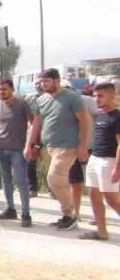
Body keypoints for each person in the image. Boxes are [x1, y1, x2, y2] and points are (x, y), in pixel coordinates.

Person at [24, 68, 89, 231]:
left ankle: (71, 214)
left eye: (47, 81)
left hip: (67, 147)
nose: (43, 85)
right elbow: (36, 125)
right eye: (41, 82)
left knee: (54, 178)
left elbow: (85, 123)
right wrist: (29, 145)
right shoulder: (41, 100)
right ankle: (68, 215)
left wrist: (82, 145)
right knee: (61, 182)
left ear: (57, 80)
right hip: (48, 147)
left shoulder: (72, 98)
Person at [0, 79, 34, 226]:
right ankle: (10, 209)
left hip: (18, 149)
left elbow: (33, 123)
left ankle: (26, 213)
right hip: (1, 148)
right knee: (6, 181)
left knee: (21, 181)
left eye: (5, 89)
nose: (2, 92)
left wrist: (32, 144)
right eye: (0, 89)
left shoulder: (22, 104)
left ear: (12, 89)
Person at [79, 82, 120, 240]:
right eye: (95, 95)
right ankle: (101, 232)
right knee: (94, 195)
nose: (97, 99)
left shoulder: (117, 117)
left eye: (101, 95)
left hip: (108, 161)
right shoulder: (101, 115)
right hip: (94, 158)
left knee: (110, 198)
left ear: (111, 96)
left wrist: (117, 168)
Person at [69, 80, 99, 221]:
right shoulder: (60, 105)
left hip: (91, 147)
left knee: (93, 184)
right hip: (71, 148)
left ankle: (97, 215)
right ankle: (76, 213)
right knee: (74, 182)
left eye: (68, 88)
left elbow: (98, 117)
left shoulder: (87, 100)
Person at [25, 79, 45, 197]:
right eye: (36, 83)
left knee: (50, 163)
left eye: (40, 83)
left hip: (47, 134)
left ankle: (54, 190)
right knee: (30, 163)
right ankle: (32, 188)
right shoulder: (30, 98)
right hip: (32, 133)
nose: (38, 86)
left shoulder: (51, 98)